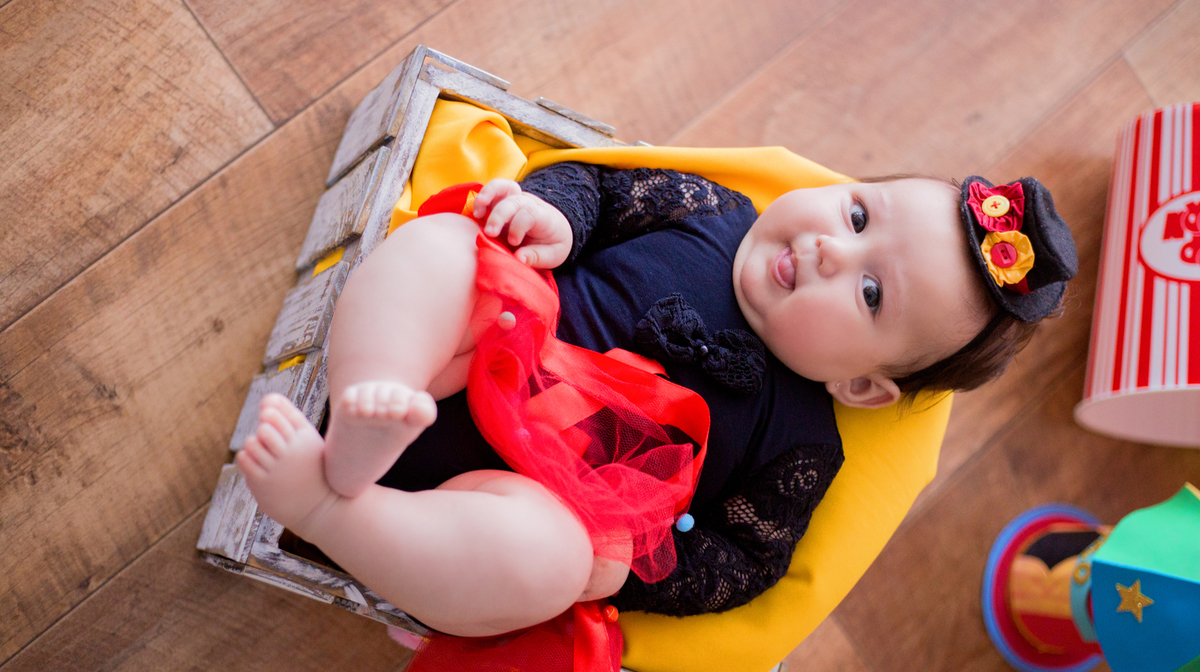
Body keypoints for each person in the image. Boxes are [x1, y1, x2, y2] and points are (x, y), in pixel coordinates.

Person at [235, 164, 1077, 639]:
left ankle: (331, 510)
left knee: (552, 564)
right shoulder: (712, 212)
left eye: (869, 293)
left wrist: (624, 566)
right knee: (453, 248)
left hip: (526, 497)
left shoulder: (805, 441)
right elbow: (595, 187)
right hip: (471, 357)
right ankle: (362, 400)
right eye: (858, 213)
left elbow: (747, 564)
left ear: (863, 385)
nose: (828, 248)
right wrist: (554, 218)